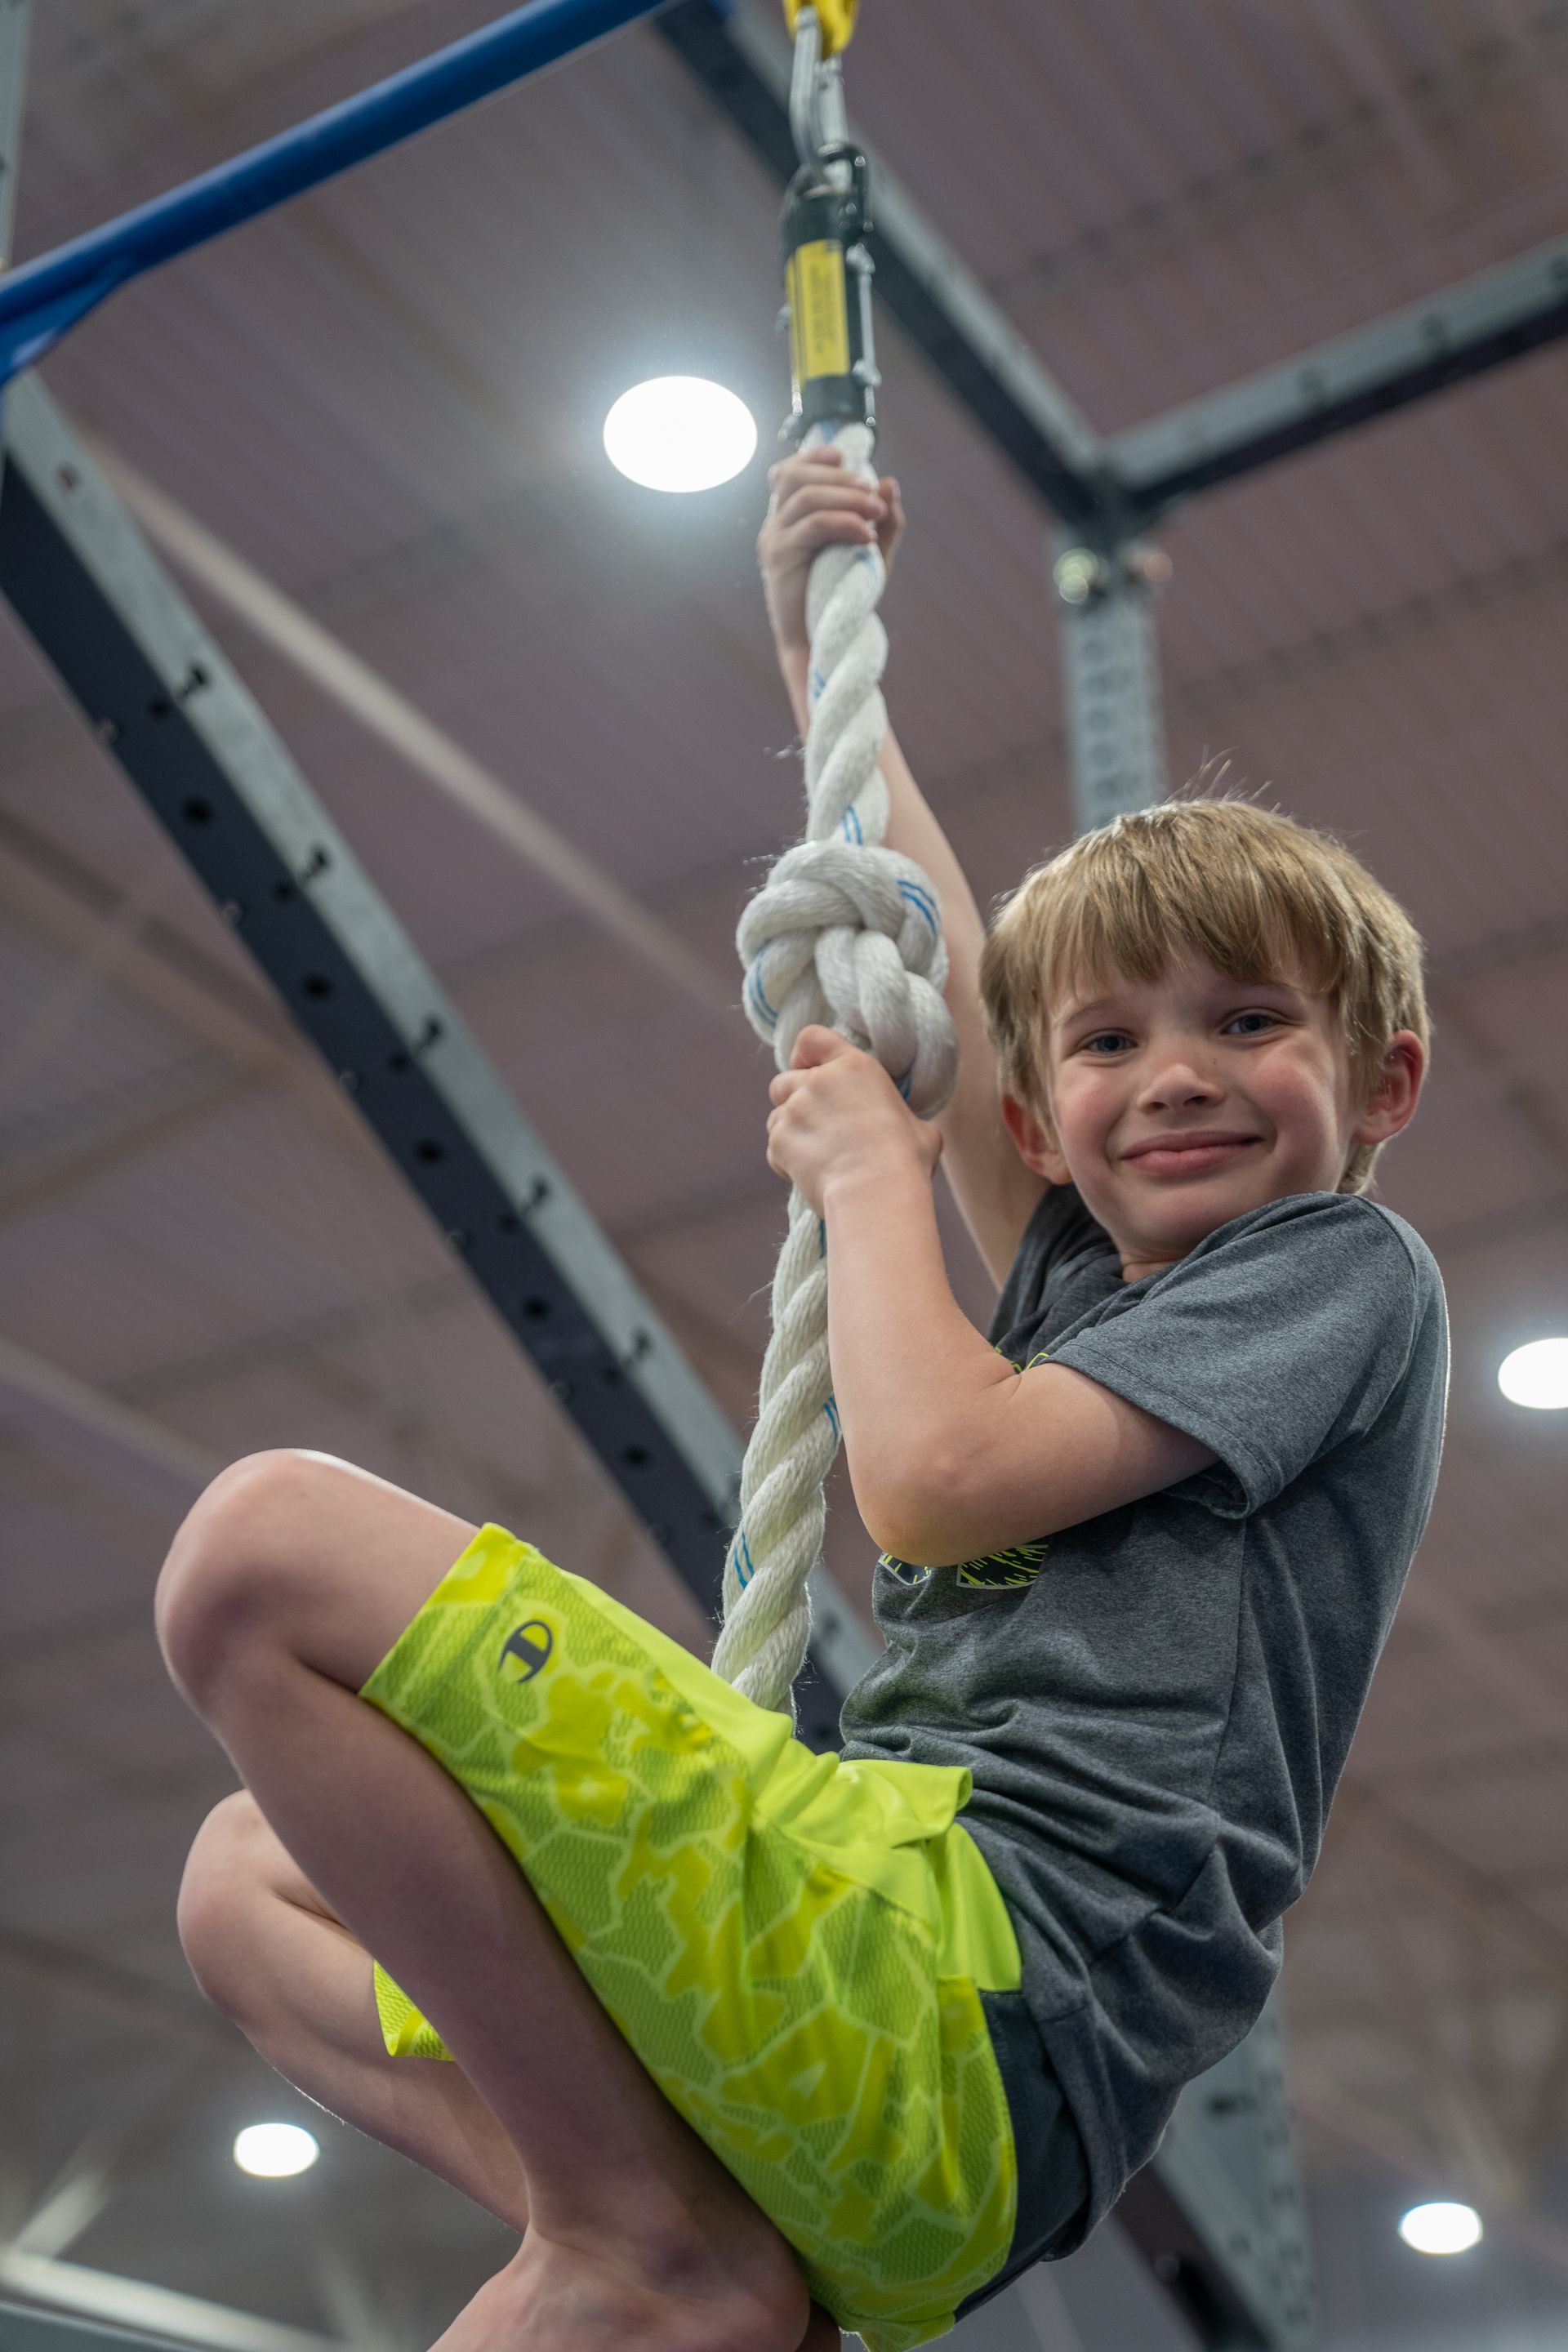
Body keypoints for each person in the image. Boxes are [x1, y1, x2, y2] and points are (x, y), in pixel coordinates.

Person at [157, 448, 1447, 2352]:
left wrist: (866, 1178)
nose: (1175, 1075)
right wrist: (811, 656)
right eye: (1114, 1042)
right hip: (884, 2031)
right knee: (249, 1877)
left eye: (1246, 1023)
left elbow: (931, 1477)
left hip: (968, 2011)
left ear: (1385, 1083)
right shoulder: (1094, 1268)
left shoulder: (1333, 1271)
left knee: (267, 1552)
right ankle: (659, 2230)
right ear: (1040, 1110)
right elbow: (976, 969)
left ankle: (632, 2243)